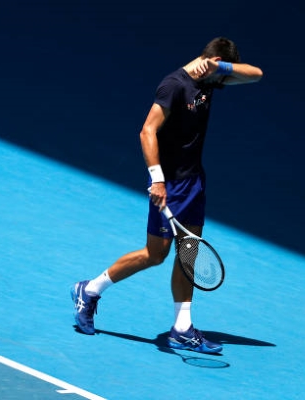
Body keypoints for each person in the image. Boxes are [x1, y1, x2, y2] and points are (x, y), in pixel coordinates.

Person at [71, 37, 263, 354]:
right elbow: (147, 130)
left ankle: (182, 328)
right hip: (170, 184)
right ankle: (89, 290)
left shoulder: (212, 78)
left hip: (194, 183)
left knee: (188, 253)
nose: (222, 83)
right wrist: (157, 180)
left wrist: (221, 68)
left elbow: (255, 74)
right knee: (155, 254)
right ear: (210, 58)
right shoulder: (174, 85)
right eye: (220, 74)